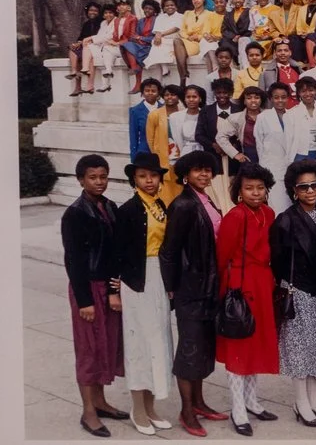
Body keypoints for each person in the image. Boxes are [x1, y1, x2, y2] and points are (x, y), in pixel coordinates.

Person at [158, 151, 227, 435]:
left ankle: (199, 402)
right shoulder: (183, 204)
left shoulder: (207, 200)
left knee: (203, 349)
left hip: (210, 287)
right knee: (189, 351)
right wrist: (172, 289)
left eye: (207, 171)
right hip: (191, 289)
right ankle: (187, 411)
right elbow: (169, 251)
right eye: (198, 171)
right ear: (186, 175)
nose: (204, 175)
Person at [60, 155, 128, 437]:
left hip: (107, 287)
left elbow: (115, 253)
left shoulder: (110, 207)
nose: (99, 182)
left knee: (105, 347)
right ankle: (88, 411)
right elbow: (73, 261)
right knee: (88, 350)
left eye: (103, 176)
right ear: (80, 180)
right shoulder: (75, 213)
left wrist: (114, 290)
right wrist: (85, 301)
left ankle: (100, 402)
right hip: (87, 288)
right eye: (92, 177)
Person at [215, 164, 284, 436]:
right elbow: (222, 255)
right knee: (238, 346)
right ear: (239, 192)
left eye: (260, 188)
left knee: (256, 346)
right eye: (249, 188)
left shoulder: (269, 213)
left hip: (263, 282)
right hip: (240, 285)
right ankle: (237, 407)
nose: (255, 193)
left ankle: (252, 400)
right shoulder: (235, 216)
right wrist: (224, 290)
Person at [113, 154, 179, 435]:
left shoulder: (161, 206)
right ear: (134, 180)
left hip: (158, 278)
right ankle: (138, 408)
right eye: (142, 176)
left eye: (153, 175)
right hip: (136, 281)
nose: (149, 180)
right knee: (139, 343)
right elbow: (117, 252)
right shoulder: (128, 210)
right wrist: (114, 286)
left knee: (159, 342)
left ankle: (152, 407)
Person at [270, 162, 316, 426]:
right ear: (293, 190)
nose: (310, 191)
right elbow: (277, 259)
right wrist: (292, 284)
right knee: (300, 351)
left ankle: (315, 400)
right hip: (298, 291)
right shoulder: (285, 220)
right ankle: (301, 403)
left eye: (315, 185)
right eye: (303, 187)